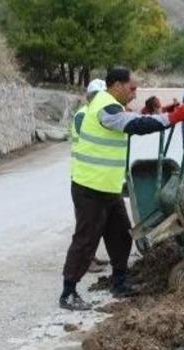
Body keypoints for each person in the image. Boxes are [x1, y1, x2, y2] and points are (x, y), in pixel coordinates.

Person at [60, 67, 184, 311]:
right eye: (132, 88)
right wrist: (171, 118)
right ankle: (68, 292)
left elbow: (134, 117)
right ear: (117, 85)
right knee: (86, 240)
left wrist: (164, 112)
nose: (134, 93)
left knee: (121, 235)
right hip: (90, 187)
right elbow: (134, 124)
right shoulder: (105, 106)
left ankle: (120, 283)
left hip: (107, 188)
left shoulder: (111, 105)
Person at [70, 79, 111, 273]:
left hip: (94, 176)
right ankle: (85, 261)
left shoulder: (94, 113)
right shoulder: (84, 115)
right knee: (86, 224)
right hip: (84, 177)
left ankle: (90, 257)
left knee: (96, 222)